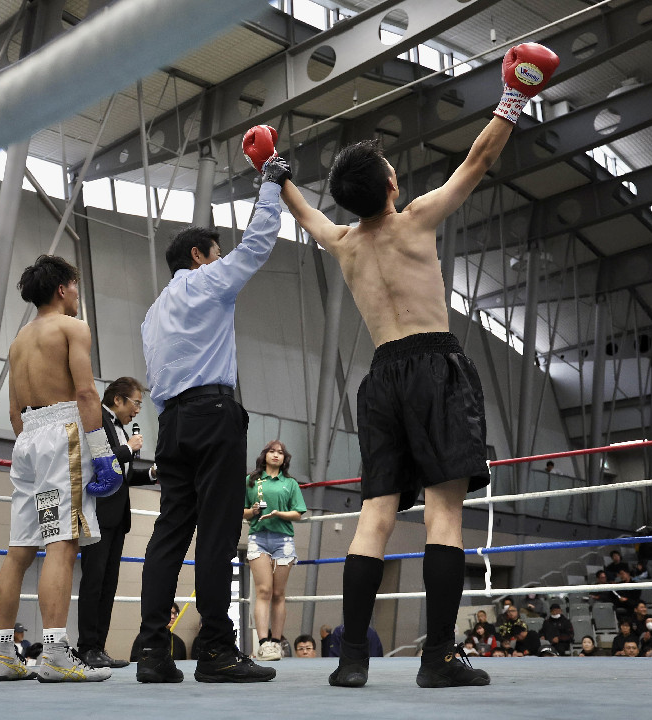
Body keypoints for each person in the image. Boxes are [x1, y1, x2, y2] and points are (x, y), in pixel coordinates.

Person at [274, 42, 560, 690]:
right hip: (433, 365)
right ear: (391, 186)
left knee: (375, 515)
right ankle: (438, 658)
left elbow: (306, 213)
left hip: (380, 378)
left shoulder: (343, 244)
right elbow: (478, 159)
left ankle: (351, 660)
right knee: (443, 514)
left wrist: (276, 174)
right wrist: (514, 96)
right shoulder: (415, 221)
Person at [133, 157, 290, 685]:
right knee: (218, 535)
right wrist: (270, 185)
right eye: (214, 253)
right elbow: (257, 245)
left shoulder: (152, 313)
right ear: (199, 256)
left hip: (171, 425)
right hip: (213, 415)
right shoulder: (207, 281)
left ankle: (152, 652)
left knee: (169, 533)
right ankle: (217, 650)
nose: (221, 259)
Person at [0, 254, 122, 684]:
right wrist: (102, 451)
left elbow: (14, 411)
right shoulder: (71, 327)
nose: (78, 295)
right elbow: (85, 393)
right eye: (75, 286)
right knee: (61, 543)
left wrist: (35, 445)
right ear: (63, 288)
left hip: (27, 439)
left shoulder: (18, 342)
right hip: (62, 434)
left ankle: (4, 656)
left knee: (19, 549)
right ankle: (56, 655)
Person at [78, 376, 159, 669]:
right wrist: (128, 448)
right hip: (97, 513)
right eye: (135, 403)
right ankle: (86, 647)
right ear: (117, 400)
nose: (137, 410)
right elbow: (99, 462)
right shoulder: (97, 419)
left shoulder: (120, 428)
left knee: (108, 583)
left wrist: (151, 474)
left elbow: (122, 475)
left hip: (116, 516)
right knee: (93, 581)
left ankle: (99, 647)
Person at [243, 439, 307, 661]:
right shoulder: (251, 481)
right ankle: (263, 644)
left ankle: (277, 643)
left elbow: (298, 513)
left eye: (280, 452)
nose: (276, 455)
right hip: (258, 538)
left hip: (283, 540)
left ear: (284, 459)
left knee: (279, 593)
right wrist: (252, 511)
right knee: (263, 591)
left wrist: (279, 513)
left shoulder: (290, 483)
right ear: (265, 455)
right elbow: (240, 510)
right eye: (272, 451)